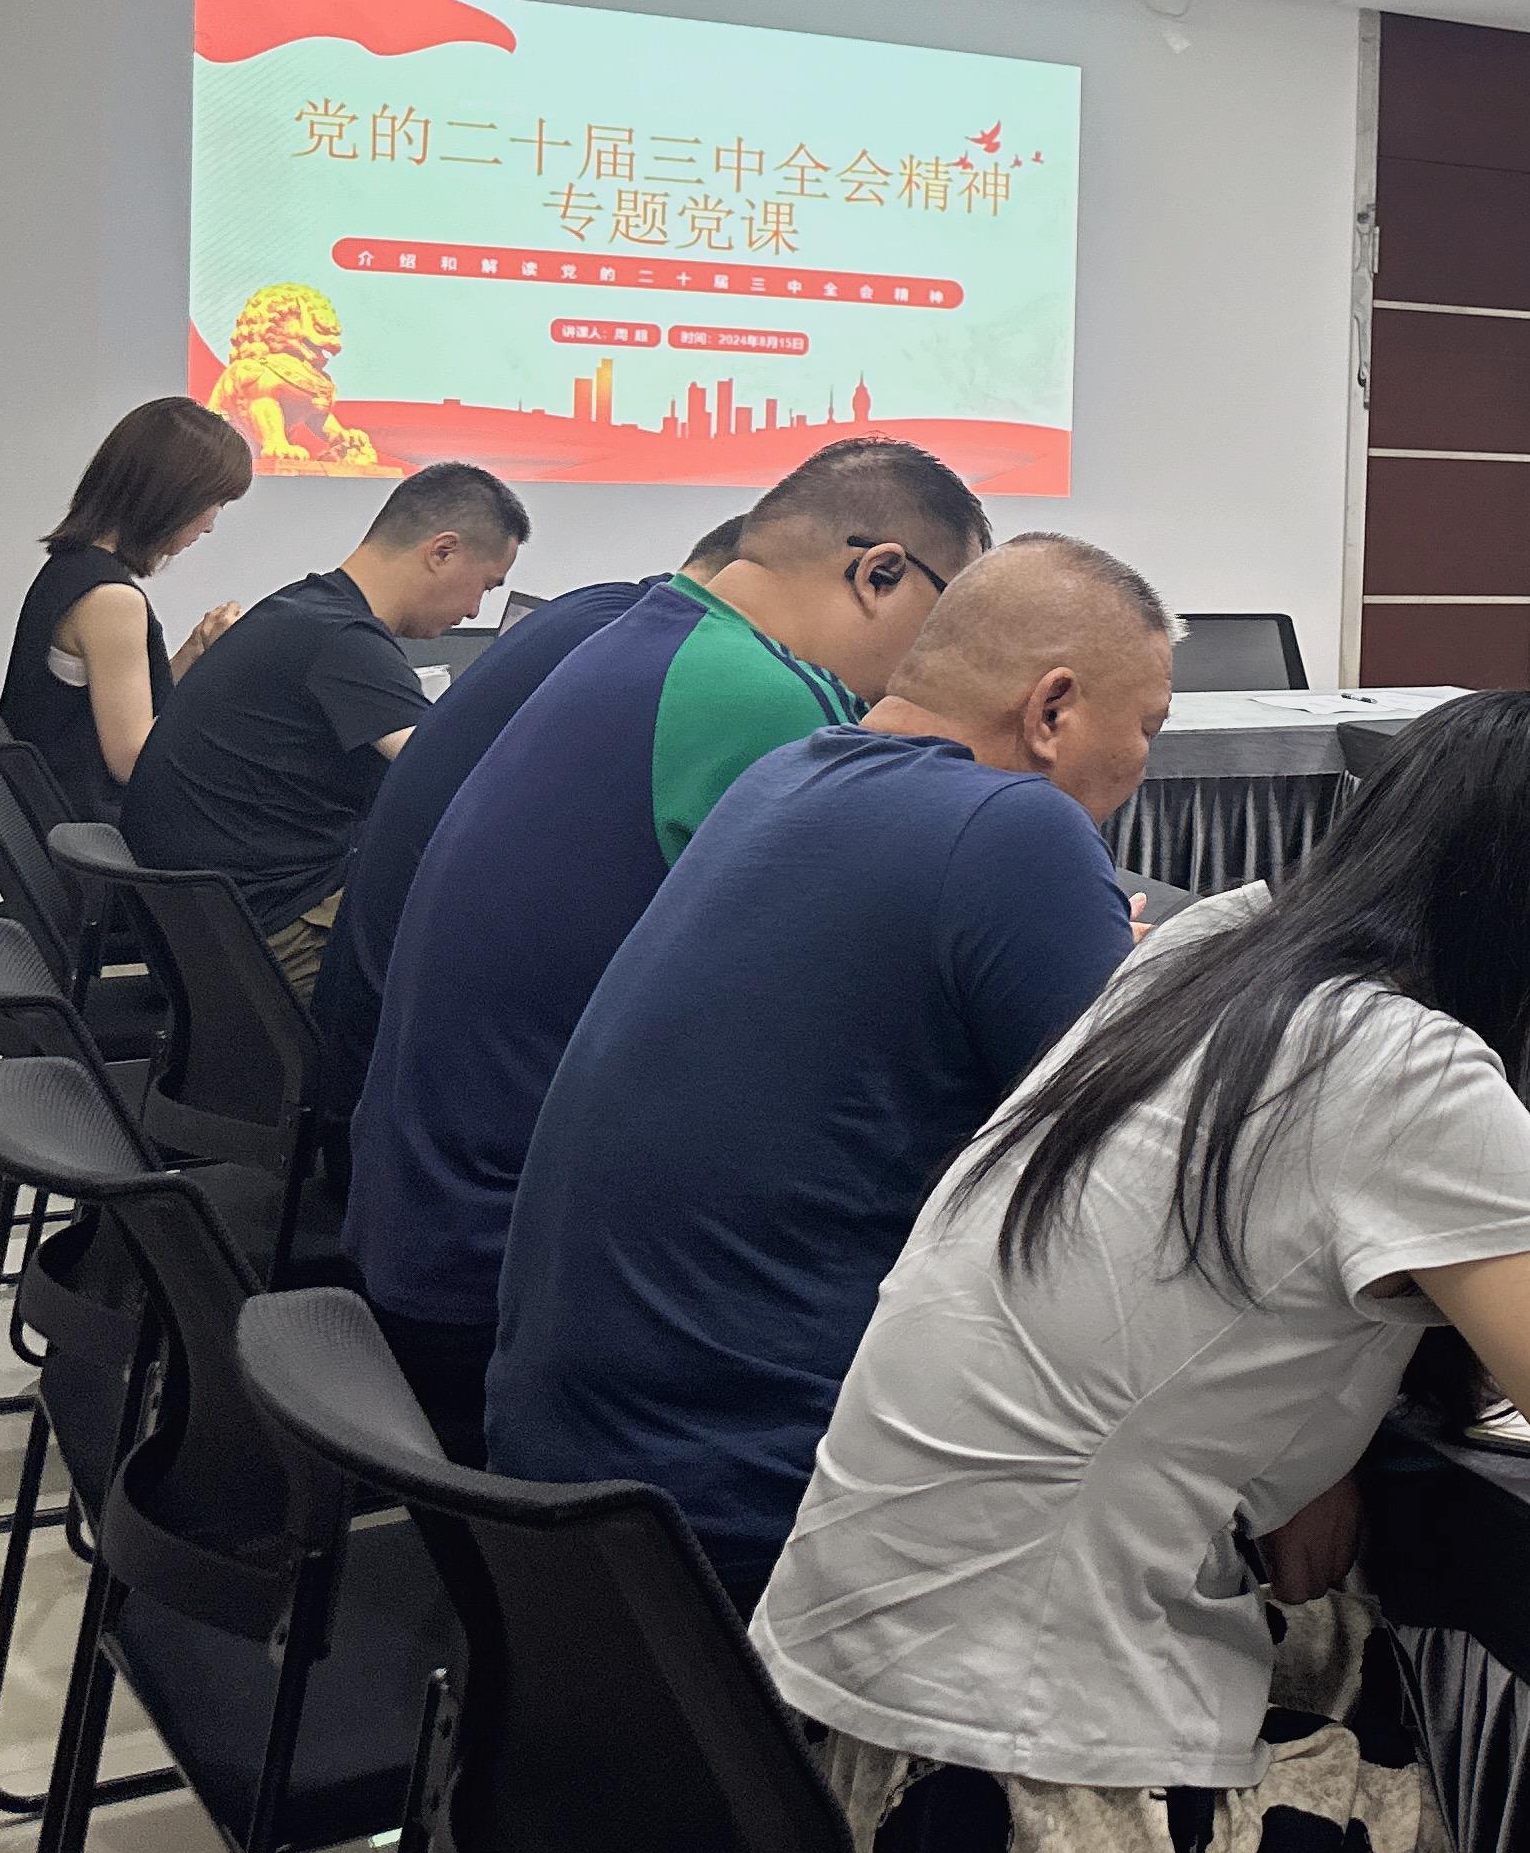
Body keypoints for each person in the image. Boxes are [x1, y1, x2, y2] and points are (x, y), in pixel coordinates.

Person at [752, 691, 1530, 1853]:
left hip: (825, 1763)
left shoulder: (1208, 949)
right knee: (1494, 1815)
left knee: (1335, 1641)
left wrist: (1309, 1451)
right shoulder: (1405, 1066)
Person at [489, 535, 1177, 1600]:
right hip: (754, 1510)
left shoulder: (785, 776)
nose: (1142, 763)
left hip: (571, 1488)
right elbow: (1147, 1190)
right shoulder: (1016, 829)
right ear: (1051, 711)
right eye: (1146, 729)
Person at [344, 439, 987, 1449]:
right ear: (880, 573)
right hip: (511, 1283)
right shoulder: (771, 700)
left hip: (419, 1223)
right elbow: (869, 1006)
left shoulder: (635, 634)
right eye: (943, 622)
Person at [301, 512, 749, 1121]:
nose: (472, 613)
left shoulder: (593, 613)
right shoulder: (668, 661)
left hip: (381, 1044)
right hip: (423, 1069)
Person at [119, 462, 525, 996]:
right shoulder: (343, 642)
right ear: (442, 552)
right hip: (270, 941)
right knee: (494, 965)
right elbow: (462, 781)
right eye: (485, 587)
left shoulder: (302, 607)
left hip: (208, 927)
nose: (474, 612)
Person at [0, 398, 254, 821]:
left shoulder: (72, 566)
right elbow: (132, 761)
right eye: (215, 504)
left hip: (55, 811)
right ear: (173, 498)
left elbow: (122, 708)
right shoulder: (112, 601)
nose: (210, 525)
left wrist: (194, 653)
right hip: (90, 827)